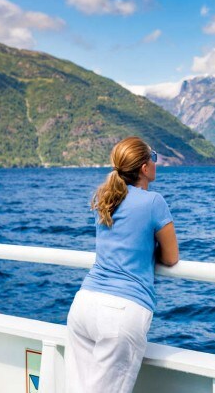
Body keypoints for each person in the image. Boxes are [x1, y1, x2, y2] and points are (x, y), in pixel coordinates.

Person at [65, 136, 179, 393]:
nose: (156, 162)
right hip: (120, 312)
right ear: (144, 168)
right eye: (153, 157)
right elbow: (171, 257)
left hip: (84, 304)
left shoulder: (105, 198)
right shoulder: (154, 202)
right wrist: (149, 250)